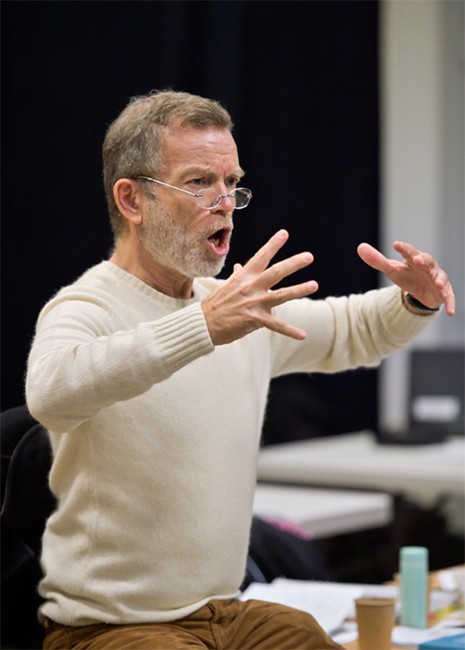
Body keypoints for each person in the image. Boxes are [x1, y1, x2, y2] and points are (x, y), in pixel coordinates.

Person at [26, 90, 455, 650]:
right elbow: (52, 393)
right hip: (111, 625)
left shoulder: (232, 305)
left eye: (232, 183)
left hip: (225, 612)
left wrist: (414, 301)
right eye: (200, 181)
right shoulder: (88, 305)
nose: (224, 201)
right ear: (132, 200)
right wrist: (202, 325)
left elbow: (353, 329)